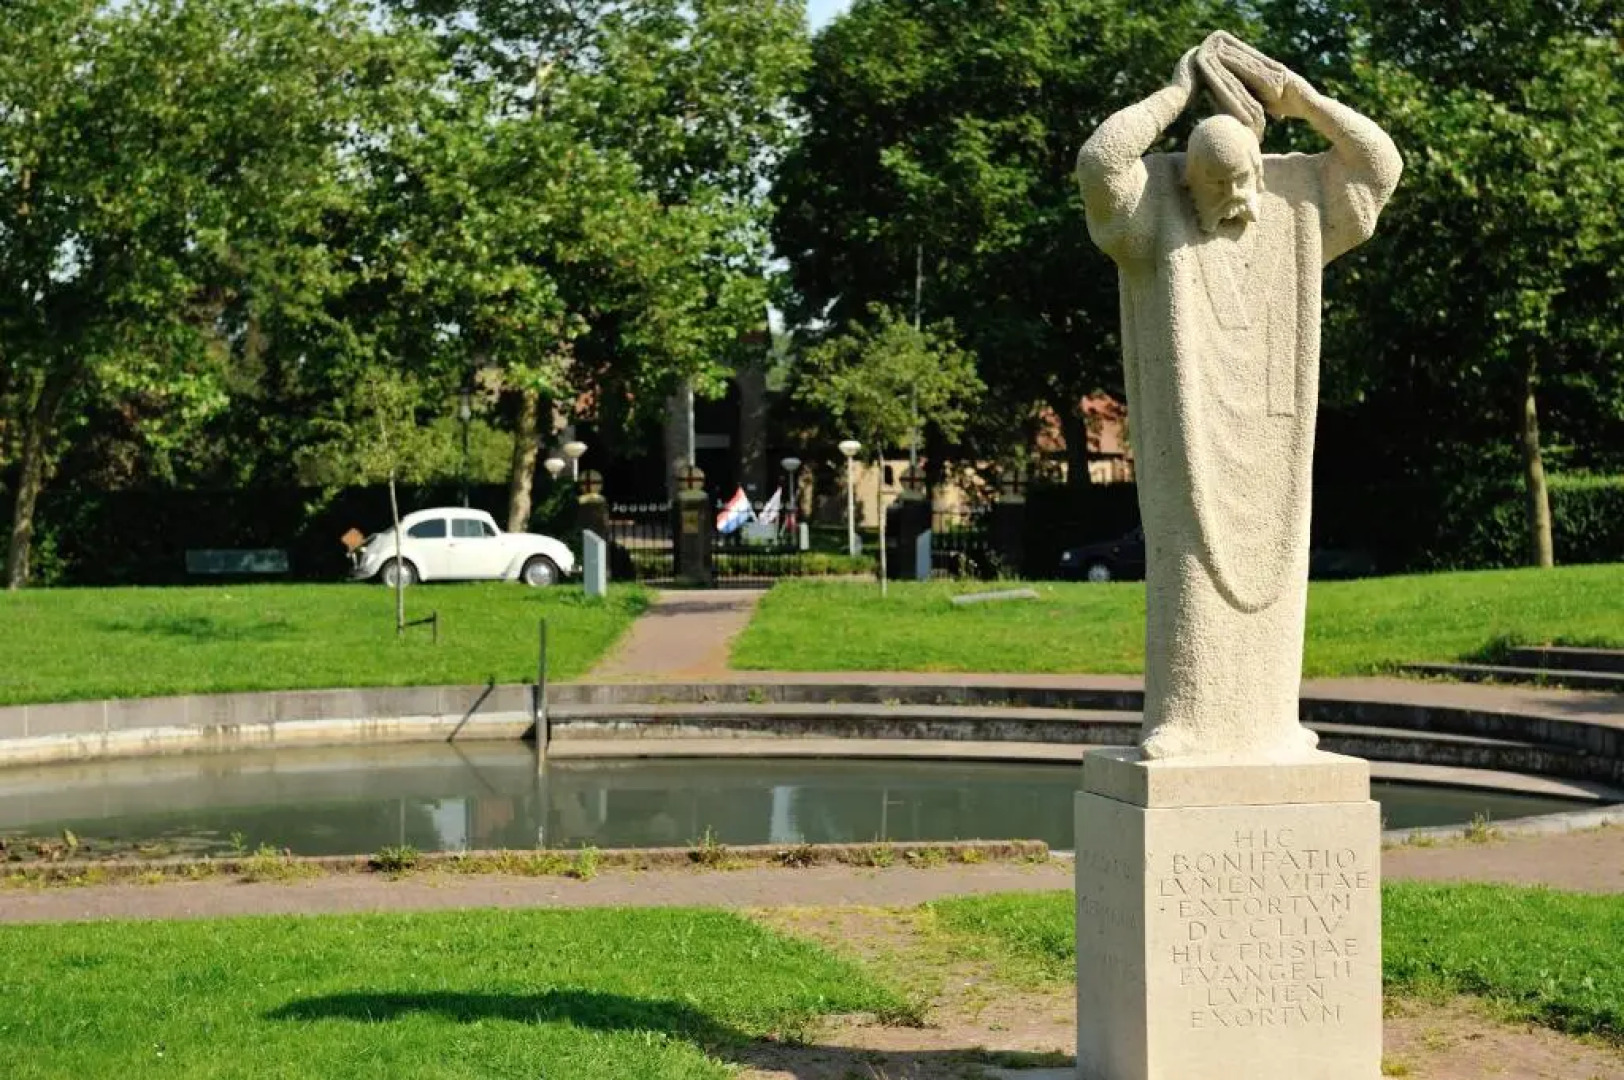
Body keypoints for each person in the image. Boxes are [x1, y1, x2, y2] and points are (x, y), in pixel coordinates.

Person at [1076, 34, 1401, 760]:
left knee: (1280, 585)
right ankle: (1187, 721)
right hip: (1187, 444)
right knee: (1190, 582)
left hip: (1274, 444)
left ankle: (1269, 725)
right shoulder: (1153, 210)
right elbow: (1101, 162)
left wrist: (1298, 97)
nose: (1240, 200)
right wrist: (1175, 93)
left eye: (1246, 179)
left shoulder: (1297, 201)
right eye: (1219, 187)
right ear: (1187, 182)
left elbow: (1380, 165)